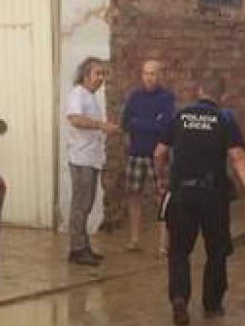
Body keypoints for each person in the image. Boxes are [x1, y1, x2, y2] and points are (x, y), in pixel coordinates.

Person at [153, 74, 245, 326]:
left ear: (199, 91)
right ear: (222, 97)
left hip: (182, 194)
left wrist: (161, 177)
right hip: (213, 196)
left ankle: (179, 298)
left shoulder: (180, 116)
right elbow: (238, 158)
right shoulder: (225, 119)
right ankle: (212, 305)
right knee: (217, 251)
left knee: (178, 251)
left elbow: (159, 152)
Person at [64, 57, 118, 265]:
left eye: (103, 74)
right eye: (98, 74)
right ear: (86, 75)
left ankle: (82, 246)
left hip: (91, 158)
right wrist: (101, 125)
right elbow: (75, 119)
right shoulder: (78, 94)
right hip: (81, 158)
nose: (101, 78)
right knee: (81, 204)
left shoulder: (90, 96)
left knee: (85, 204)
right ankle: (77, 249)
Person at [119, 59, 176, 255]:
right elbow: (126, 123)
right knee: (133, 196)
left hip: (157, 154)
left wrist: (140, 123)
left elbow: (166, 126)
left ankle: (163, 244)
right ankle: (134, 239)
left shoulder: (166, 98)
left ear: (160, 75)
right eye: (145, 73)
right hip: (136, 154)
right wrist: (151, 123)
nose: (149, 77)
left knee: (162, 197)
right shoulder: (134, 97)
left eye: (153, 73)